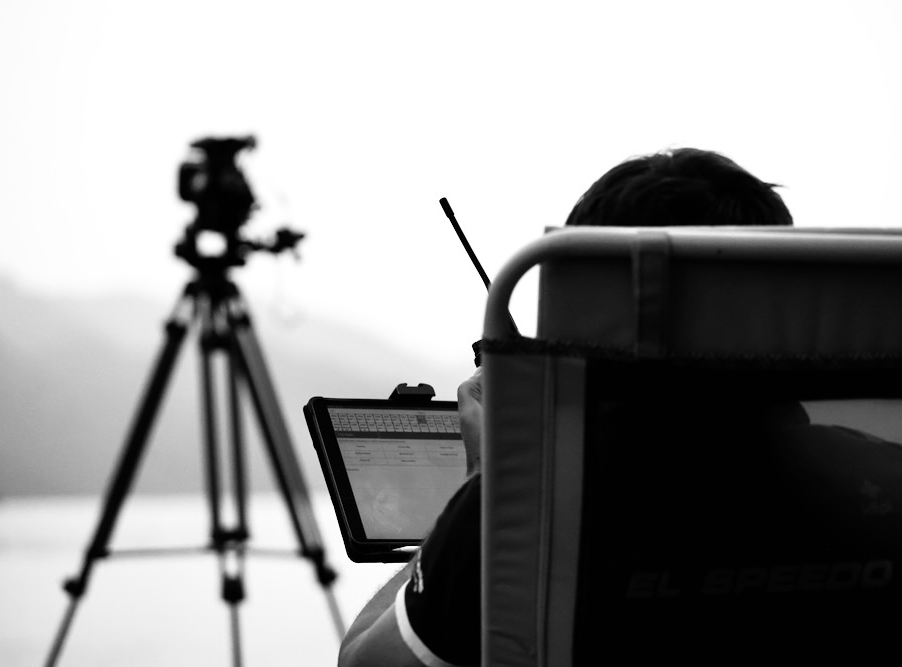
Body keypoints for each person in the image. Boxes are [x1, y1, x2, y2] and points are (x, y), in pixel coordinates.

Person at [337, 148, 796, 667]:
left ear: (587, 311)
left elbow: (361, 661)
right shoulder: (868, 474)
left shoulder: (524, 514)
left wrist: (486, 479)